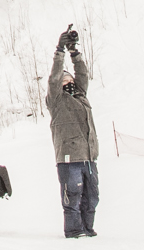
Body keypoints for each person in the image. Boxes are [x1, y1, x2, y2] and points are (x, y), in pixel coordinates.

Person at [47, 28, 99, 238]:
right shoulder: (57, 101)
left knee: (91, 197)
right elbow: (53, 79)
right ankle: (74, 232)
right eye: (64, 80)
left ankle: (88, 229)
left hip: (88, 156)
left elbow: (83, 74)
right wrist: (59, 51)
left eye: (69, 79)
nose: (67, 81)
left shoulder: (80, 95)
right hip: (69, 158)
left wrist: (74, 51)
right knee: (73, 196)